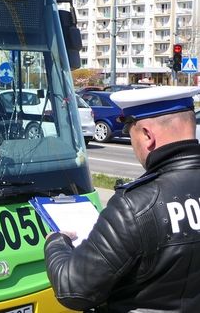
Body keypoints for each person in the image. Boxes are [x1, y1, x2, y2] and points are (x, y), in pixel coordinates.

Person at [44, 85, 200, 312]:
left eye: (130, 133)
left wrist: (56, 243)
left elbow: (73, 289)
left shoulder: (134, 206)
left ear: (147, 135)